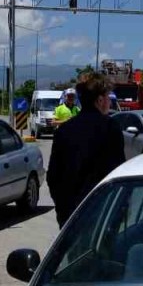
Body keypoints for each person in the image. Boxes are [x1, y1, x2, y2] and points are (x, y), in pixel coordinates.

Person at [47, 72, 126, 228]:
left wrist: (62, 211)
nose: (109, 102)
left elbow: (53, 177)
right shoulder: (110, 128)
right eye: (108, 97)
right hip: (102, 216)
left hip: (70, 217)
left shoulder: (64, 130)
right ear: (100, 100)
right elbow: (117, 173)